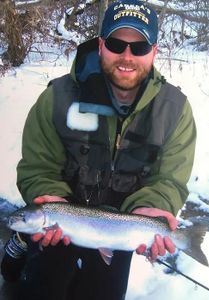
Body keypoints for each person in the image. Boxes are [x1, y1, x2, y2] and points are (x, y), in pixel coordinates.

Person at [2, 0, 196, 299]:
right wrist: (46, 192)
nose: (127, 56)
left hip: (124, 224)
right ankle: (21, 248)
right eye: (117, 44)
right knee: (38, 288)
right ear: (102, 44)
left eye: (140, 47)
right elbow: (37, 168)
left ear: (155, 51)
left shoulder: (175, 110)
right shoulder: (58, 98)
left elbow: (169, 179)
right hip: (60, 222)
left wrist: (156, 204)